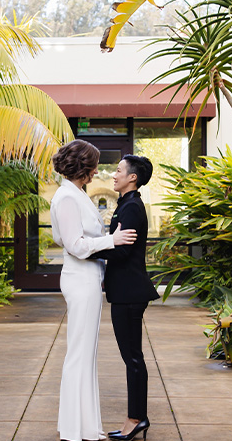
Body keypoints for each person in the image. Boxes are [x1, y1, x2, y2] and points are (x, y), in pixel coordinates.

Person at [50, 140, 137, 441]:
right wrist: (112, 240)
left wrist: (107, 241)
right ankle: (74, 431)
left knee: (86, 355)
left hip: (87, 278)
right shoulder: (67, 198)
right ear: (82, 167)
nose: (98, 171)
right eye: (94, 165)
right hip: (80, 279)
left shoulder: (74, 194)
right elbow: (75, 246)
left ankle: (85, 428)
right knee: (79, 354)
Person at [90, 155, 158, 441]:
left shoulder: (131, 208)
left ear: (132, 177)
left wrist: (88, 249)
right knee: (132, 357)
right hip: (126, 292)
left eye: (118, 170)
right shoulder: (127, 205)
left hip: (129, 293)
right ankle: (137, 417)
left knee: (133, 358)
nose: (113, 175)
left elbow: (121, 251)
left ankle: (136, 419)